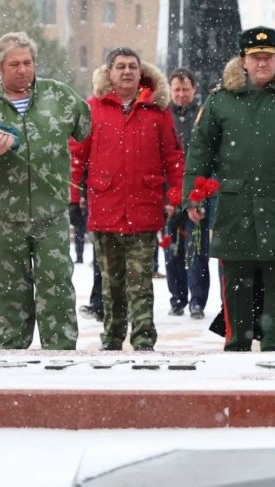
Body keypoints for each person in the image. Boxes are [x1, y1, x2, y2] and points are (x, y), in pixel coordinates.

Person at [184, 27, 275, 352]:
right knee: (235, 280)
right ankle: (237, 343)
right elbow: (200, 151)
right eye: (255, 57)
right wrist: (192, 195)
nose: (262, 63)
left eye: (268, 57)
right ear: (243, 61)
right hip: (235, 204)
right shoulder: (221, 100)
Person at [0, 31, 90, 349]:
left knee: (56, 286)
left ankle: (60, 357)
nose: (22, 70)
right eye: (14, 64)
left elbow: (89, 129)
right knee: (9, 291)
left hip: (51, 214)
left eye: (27, 62)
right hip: (4, 216)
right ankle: (12, 356)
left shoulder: (59, 96)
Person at [71, 48, 184, 351]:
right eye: (120, 67)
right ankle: (112, 338)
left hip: (143, 210)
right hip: (106, 209)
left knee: (141, 283)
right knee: (111, 283)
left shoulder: (158, 111)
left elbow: (173, 157)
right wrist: (71, 196)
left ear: (141, 72)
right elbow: (76, 155)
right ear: (109, 73)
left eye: (132, 66)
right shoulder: (93, 109)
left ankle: (144, 338)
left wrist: (178, 194)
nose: (126, 72)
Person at [164, 67, 210, 319]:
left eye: (185, 89)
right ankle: (177, 297)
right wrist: (165, 197)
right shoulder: (163, 117)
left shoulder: (203, 116)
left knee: (196, 249)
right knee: (172, 250)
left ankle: (197, 300)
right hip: (170, 193)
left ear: (194, 90)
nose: (181, 94)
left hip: (196, 194)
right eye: (177, 90)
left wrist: (199, 196)